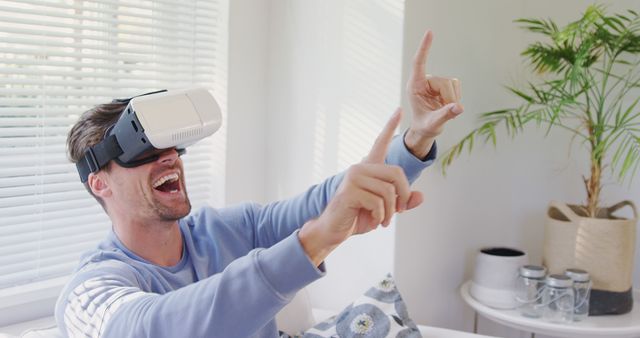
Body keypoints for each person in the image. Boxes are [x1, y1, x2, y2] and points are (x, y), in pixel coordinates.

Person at [55, 30, 463, 338]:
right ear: (99, 183)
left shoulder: (229, 230)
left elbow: (325, 202)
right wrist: (313, 241)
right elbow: (153, 327)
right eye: (141, 149)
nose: (169, 158)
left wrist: (415, 140)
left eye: (172, 145)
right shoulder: (92, 290)